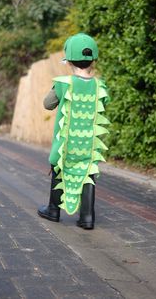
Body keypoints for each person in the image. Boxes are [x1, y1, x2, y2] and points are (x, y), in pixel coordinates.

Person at [38, 33, 110, 229]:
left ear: (68, 60)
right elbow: (103, 104)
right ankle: (87, 217)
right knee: (88, 174)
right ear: (93, 59)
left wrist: (58, 88)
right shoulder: (99, 85)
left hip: (65, 144)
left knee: (59, 168)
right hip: (88, 144)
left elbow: (47, 104)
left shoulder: (64, 83)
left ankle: (53, 210)